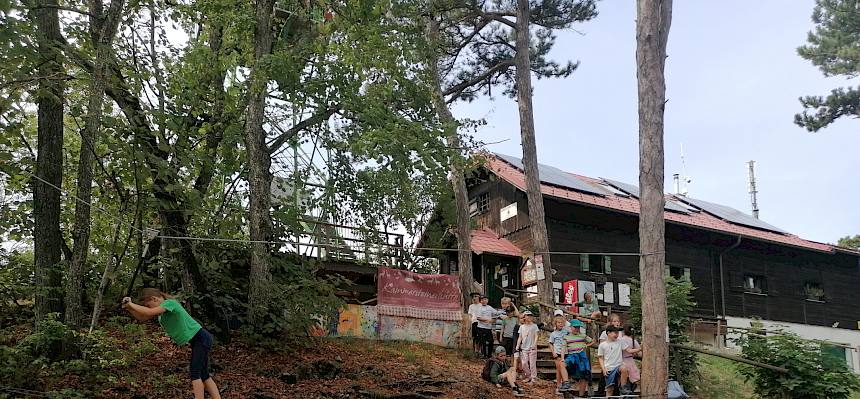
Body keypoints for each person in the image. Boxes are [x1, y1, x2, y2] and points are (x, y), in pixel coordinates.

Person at [122, 288, 222, 399]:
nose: (149, 308)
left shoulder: (170, 303)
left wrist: (131, 303)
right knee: (204, 375)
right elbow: (143, 317)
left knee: (195, 373)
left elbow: (148, 312)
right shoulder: (162, 311)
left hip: (201, 338)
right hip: (198, 340)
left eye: (149, 305)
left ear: (154, 299)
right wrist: (129, 308)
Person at [597, 325, 641, 397]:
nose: (617, 335)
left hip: (618, 366)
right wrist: (603, 369)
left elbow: (629, 350)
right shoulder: (602, 345)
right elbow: (600, 358)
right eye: (615, 333)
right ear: (608, 333)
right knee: (609, 389)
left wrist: (639, 349)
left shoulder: (620, 342)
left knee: (624, 368)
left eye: (618, 333)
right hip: (609, 368)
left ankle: (623, 387)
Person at [564, 319, 595, 397]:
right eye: (575, 327)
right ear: (571, 327)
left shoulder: (582, 335)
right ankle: (565, 386)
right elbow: (563, 347)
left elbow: (592, 341)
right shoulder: (566, 336)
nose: (577, 329)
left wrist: (586, 346)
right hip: (571, 356)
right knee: (566, 368)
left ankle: (581, 394)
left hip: (581, 357)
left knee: (583, 376)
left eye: (578, 327)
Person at [548, 315, 573, 393]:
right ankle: (558, 385)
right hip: (557, 353)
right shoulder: (553, 334)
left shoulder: (566, 331)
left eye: (562, 322)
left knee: (564, 369)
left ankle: (564, 384)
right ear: (555, 324)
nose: (560, 324)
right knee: (558, 370)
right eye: (558, 322)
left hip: (566, 353)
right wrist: (553, 352)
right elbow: (550, 343)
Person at [515, 310, 539, 384]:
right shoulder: (522, 327)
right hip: (524, 348)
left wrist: (534, 344)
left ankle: (533, 378)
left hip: (532, 348)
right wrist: (517, 345)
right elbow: (520, 337)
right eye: (527, 315)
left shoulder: (534, 326)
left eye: (530, 315)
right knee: (524, 363)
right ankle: (528, 376)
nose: (529, 317)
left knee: (532, 364)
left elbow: (536, 336)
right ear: (524, 317)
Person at [621, 324, 642, 391]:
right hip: (631, 361)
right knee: (632, 378)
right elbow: (640, 354)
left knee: (623, 378)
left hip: (622, 360)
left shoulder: (621, 340)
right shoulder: (633, 341)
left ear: (623, 331)